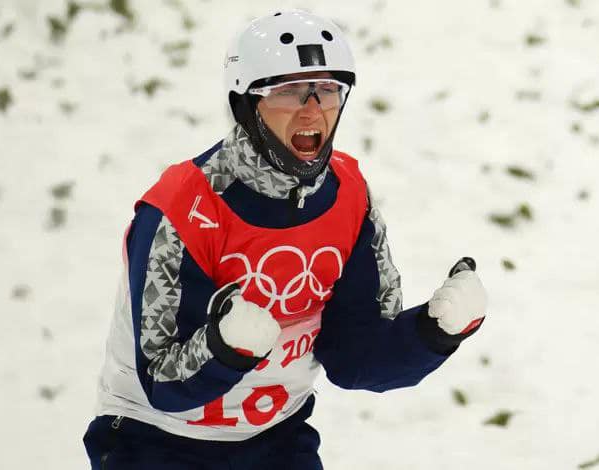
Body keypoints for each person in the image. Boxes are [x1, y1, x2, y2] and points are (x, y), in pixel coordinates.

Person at [83, 9, 488, 470]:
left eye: (329, 90)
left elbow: (355, 357)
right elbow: (161, 382)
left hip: (276, 439)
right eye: (289, 91)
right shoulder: (182, 208)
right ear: (246, 105)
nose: (313, 109)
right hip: (156, 442)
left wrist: (432, 334)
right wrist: (223, 347)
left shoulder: (350, 196)